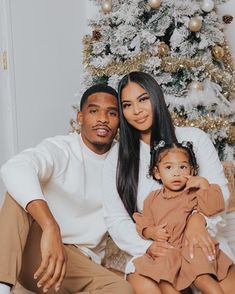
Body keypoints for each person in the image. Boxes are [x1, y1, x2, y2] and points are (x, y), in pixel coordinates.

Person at [102, 71, 235, 294]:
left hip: (199, 243)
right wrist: (150, 246)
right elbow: (116, 219)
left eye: (143, 99)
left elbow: (220, 192)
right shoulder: (117, 158)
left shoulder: (194, 138)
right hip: (155, 252)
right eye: (127, 105)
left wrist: (197, 221)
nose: (137, 111)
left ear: (156, 97)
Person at [0, 84, 134, 294]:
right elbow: (15, 167)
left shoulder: (123, 162)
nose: (103, 119)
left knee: (122, 290)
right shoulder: (62, 148)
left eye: (112, 113)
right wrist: (51, 227)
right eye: (93, 111)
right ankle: (2, 286)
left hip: (78, 264)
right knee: (16, 196)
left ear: (120, 122)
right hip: (38, 252)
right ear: (80, 117)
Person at [133, 140, 233, 294]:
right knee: (163, 279)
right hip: (170, 251)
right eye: (168, 167)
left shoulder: (193, 192)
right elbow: (143, 222)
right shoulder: (152, 199)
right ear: (157, 172)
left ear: (191, 171)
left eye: (183, 167)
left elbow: (214, 207)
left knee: (202, 277)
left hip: (192, 247)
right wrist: (150, 231)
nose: (176, 173)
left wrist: (204, 185)